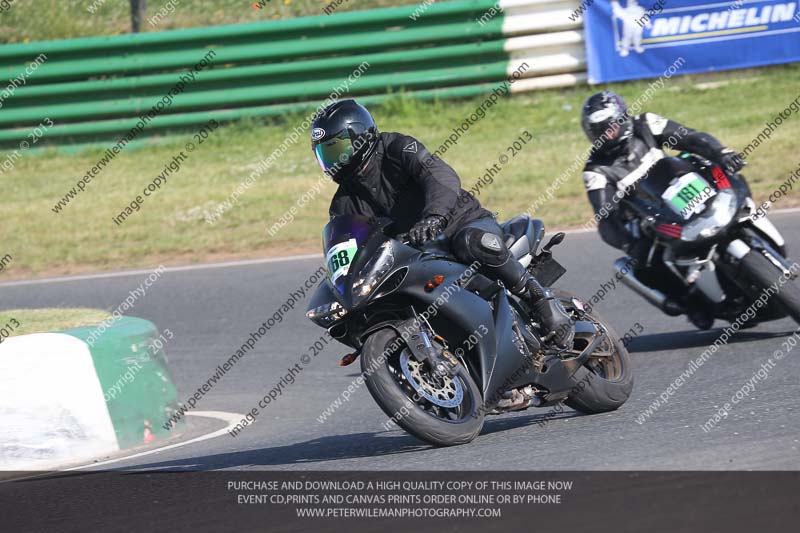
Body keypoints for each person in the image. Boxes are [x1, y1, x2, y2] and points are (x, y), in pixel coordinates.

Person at [311, 99, 574, 349]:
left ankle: (539, 299)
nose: (332, 161)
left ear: (360, 136)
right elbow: (349, 246)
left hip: (462, 223)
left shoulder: (397, 148)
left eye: (335, 149)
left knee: (471, 242)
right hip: (418, 253)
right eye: (324, 154)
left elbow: (440, 176)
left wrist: (435, 217)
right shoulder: (344, 203)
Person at [580, 90, 746, 325]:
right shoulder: (595, 170)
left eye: (609, 128)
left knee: (704, 162)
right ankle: (692, 302)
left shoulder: (645, 124)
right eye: (597, 132)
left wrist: (722, 152)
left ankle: (748, 223)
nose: (605, 136)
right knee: (642, 259)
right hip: (655, 218)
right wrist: (629, 243)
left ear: (622, 119)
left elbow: (691, 138)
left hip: (688, 187)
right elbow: (606, 217)